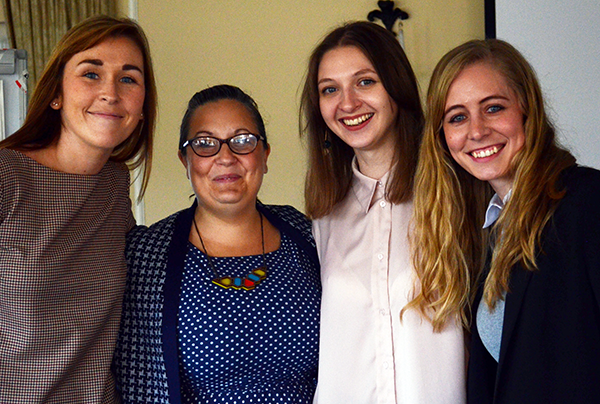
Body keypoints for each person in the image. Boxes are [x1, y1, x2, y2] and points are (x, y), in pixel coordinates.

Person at [412, 38, 600, 403]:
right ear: (442, 136)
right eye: (457, 117)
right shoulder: (490, 231)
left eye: (494, 108)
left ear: (526, 108)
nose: (477, 131)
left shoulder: (587, 202)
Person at [114, 84, 321, 403]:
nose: (225, 158)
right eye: (205, 144)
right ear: (185, 160)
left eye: (242, 141)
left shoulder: (307, 236)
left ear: (264, 155)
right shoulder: (145, 256)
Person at [300, 21, 466, 403]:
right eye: (330, 89)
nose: (347, 103)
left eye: (365, 82)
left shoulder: (454, 193)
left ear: (396, 85)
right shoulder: (321, 215)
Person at [0, 15, 156, 403]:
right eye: (91, 74)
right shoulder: (6, 176)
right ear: (56, 93)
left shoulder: (114, 185)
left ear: (142, 106)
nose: (110, 92)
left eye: (129, 78)